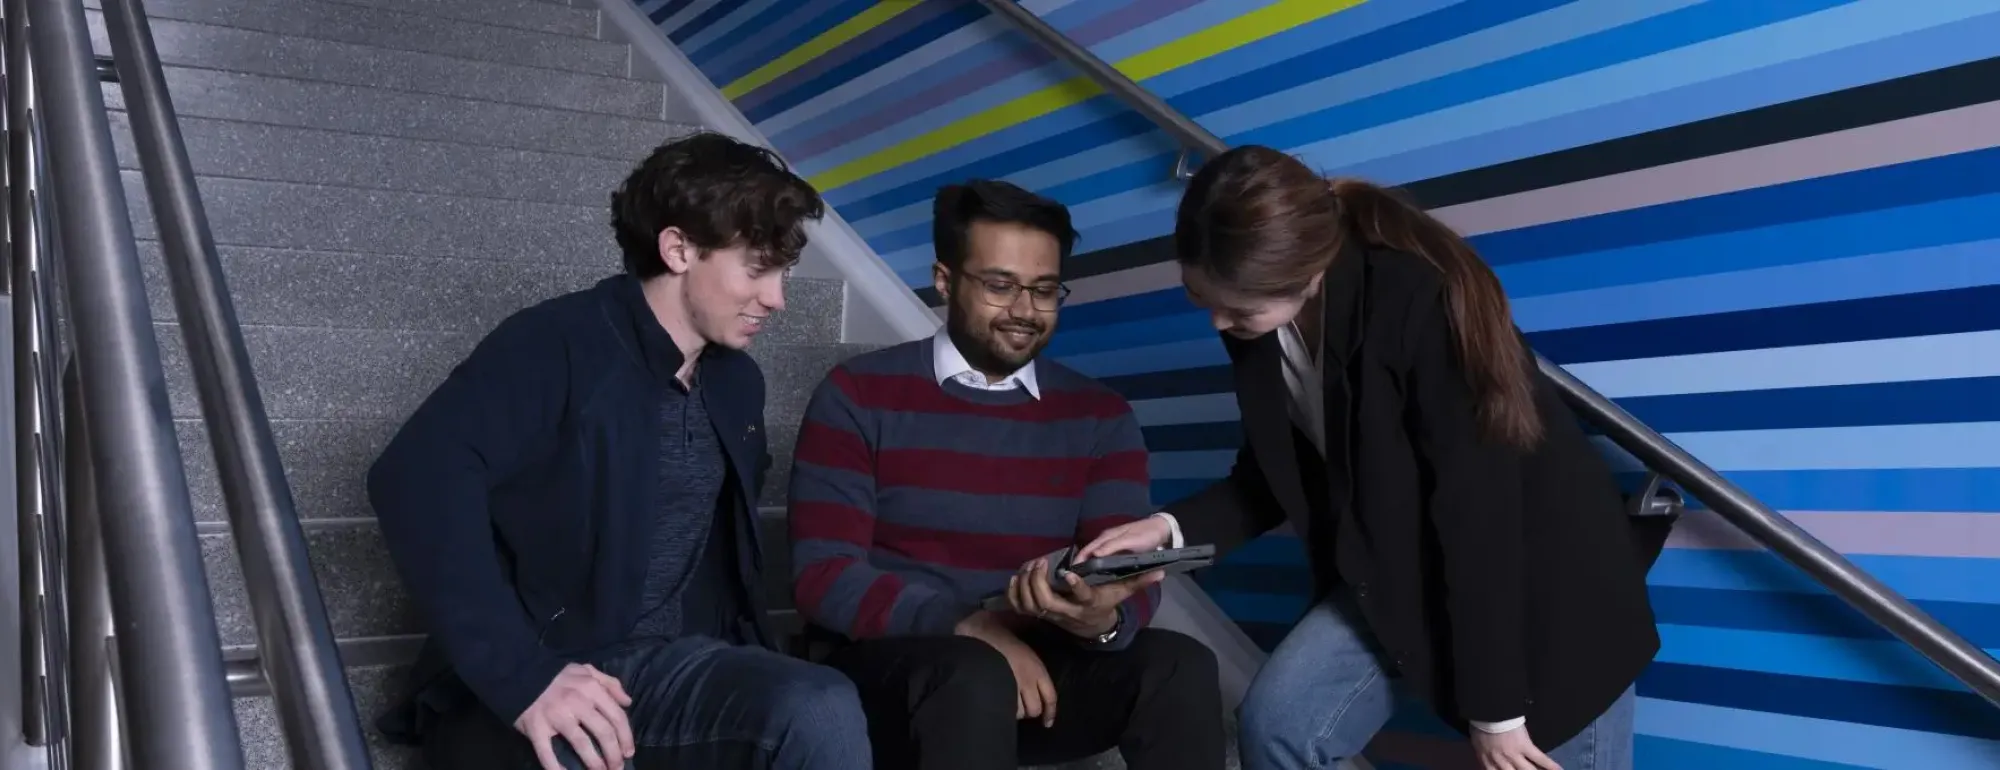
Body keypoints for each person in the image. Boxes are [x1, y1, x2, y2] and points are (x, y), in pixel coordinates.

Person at [1077, 146, 1661, 770]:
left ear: (1308, 271)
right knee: (1276, 727)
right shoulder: (1258, 320)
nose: (1220, 321)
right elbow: (1268, 480)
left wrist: (1495, 713)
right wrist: (1164, 533)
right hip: (1391, 568)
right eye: (1202, 299)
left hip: (1540, 590)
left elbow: (1480, 524)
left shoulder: (1416, 303)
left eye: (1238, 310)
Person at [367, 132, 870, 770]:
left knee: (821, 704)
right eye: (757, 268)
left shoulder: (738, 382)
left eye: (784, 272)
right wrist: (523, 674)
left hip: (673, 669)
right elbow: (415, 478)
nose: (777, 298)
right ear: (679, 247)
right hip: (546, 667)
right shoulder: (553, 344)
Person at [786, 180, 1227, 770]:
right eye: (1000, 286)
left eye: (1044, 291)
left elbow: (1124, 571)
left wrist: (1103, 619)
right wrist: (970, 626)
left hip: (1039, 675)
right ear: (945, 280)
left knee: (1181, 665)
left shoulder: (1100, 415)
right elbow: (822, 575)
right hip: (897, 671)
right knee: (970, 675)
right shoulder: (858, 395)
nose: (1025, 310)